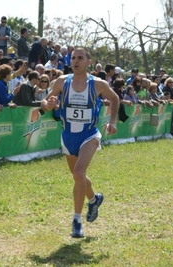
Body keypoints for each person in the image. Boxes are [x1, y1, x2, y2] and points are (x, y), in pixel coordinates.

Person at [40, 47, 119, 238]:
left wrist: (112, 121)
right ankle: (93, 199)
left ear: (88, 62)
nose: (75, 61)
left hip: (89, 134)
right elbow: (45, 101)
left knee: (78, 172)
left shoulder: (97, 84)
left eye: (80, 58)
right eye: (73, 58)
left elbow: (115, 99)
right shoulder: (62, 81)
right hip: (68, 136)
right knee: (79, 177)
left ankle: (76, 221)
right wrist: (47, 104)